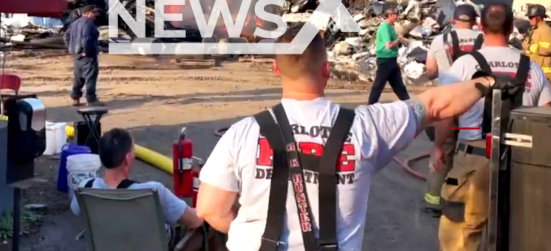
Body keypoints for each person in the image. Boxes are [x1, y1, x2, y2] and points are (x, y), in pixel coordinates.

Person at [195, 24, 508, 251]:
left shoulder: (243, 132)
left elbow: (210, 209)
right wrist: (486, 80)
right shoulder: (365, 125)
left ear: (276, 70)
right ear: (327, 70)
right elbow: (436, 105)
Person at [434, 3, 551, 251]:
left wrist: (439, 149)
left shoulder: (464, 66)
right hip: (520, 163)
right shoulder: (531, 67)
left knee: (461, 232)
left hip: (473, 160)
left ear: (480, 27)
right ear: (511, 28)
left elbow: (446, 113)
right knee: (519, 231)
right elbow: (546, 117)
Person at [71, 128, 204, 248]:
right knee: (202, 228)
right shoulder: (151, 191)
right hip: (154, 246)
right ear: (127, 159)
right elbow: (195, 220)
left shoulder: (85, 187)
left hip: (108, 245)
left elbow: (77, 211)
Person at [423, 4, 483, 215]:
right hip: (474, 105)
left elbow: (430, 70)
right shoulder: (483, 40)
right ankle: (466, 199)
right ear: (475, 21)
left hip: (446, 105)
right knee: (470, 153)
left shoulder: (441, 40)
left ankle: (434, 201)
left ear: (453, 20)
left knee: (441, 150)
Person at [367, 5, 410, 104]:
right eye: (395, 14)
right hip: (385, 60)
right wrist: (398, 40)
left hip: (392, 59)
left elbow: (395, 41)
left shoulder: (390, 27)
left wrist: (401, 39)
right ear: (390, 15)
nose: (396, 16)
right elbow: (389, 45)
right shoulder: (384, 28)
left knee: (398, 85)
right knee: (379, 84)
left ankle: (408, 103)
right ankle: (371, 104)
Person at [64, 5, 102, 106]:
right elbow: (86, 38)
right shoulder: (89, 23)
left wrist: (72, 49)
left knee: (78, 77)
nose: (95, 15)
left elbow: (66, 36)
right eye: (94, 12)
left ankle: (75, 97)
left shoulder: (75, 23)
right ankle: (91, 99)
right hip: (88, 56)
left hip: (77, 55)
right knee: (90, 77)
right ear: (88, 12)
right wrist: (86, 51)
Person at [523, 3, 551, 81]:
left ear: (538, 18)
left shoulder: (546, 31)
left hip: (544, 75)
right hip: (534, 71)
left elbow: (547, 49)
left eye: (531, 17)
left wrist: (528, 47)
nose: (529, 19)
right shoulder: (534, 30)